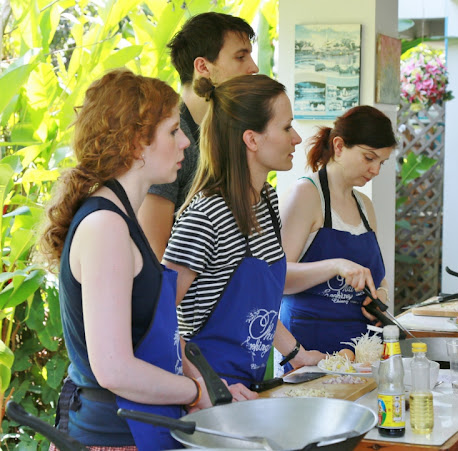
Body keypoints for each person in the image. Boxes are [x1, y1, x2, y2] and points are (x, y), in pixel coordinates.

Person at [39, 69, 210, 450]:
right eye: (172, 131)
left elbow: (147, 333)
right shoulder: (105, 227)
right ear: (136, 143)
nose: (185, 142)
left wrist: (207, 383)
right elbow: (114, 368)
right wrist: (194, 390)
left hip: (145, 423)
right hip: (115, 435)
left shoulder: (122, 218)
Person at [163, 74, 324, 398]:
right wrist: (202, 386)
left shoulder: (266, 201)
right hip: (208, 398)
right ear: (252, 139)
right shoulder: (207, 216)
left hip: (247, 389)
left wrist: (298, 355)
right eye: (286, 127)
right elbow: (158, 315)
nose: (296, 139)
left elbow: (258, 308)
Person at [139, 12, 259, 260]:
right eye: (240, 57)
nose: (254, 68)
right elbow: (156, 254)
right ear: (203, 67)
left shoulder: (234, 134)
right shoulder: (166, 141)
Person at [278, 106, 397, 356]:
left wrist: (381, 294)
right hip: (308, 345)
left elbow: (378, 276)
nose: (375, 170)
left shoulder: (365, 206)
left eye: (381, 162)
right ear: (340, 146)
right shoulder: (306, 195)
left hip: (360, 348)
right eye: (369, 158)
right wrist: (335, 266)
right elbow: (278, 277)